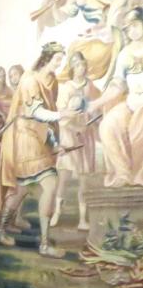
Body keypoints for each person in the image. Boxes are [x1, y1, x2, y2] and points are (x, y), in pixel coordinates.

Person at [0, 42, 79, 257]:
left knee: (24, 188)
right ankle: (42, 243)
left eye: (61, 60)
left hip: (39, 136)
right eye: (57, 60)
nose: (59, 64)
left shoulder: (51, 81)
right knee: (44, 184)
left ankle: (5, 230)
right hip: (25, 137)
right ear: (46, 58)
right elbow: (37, 112)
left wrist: (55, 143)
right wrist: (63, 114)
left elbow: (47, 121)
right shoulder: (30, 80)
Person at [87, 6, 143, 187]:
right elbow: (118, 86)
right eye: (128, 28)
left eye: (135, 25)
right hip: (132, 104)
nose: (132, 31)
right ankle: (123, 174)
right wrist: (96, 103)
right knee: (108, 126)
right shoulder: (125, 54)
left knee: (138, 130)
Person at [51, 52, 102, 229]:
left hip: (85, 136)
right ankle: (57, 212)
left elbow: (96, 108)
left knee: (83, 179)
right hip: (69, 135)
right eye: (78, 65)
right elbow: (61, 115)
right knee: (63, 177)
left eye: (83, 65)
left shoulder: (90, 86)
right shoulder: (66, 88)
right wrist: (75, 127)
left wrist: (93, 121)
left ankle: (82, 219)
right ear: (72, 68)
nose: (81, 68)